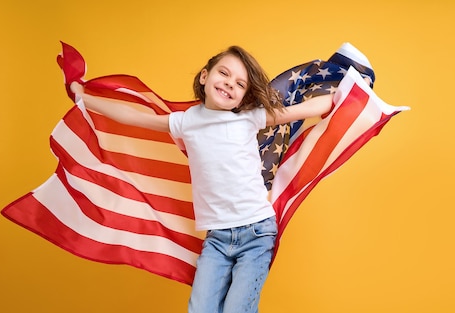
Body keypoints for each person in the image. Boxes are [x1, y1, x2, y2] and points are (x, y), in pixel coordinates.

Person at [70, 46, 334, 313]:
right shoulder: (186, 121)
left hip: (256, 233)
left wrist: (346, 94)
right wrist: (83, 97)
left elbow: (304, 109)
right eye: (224, 74)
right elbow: (135, 117)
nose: (230, 84)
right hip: (217, 240)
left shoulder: (249, 118)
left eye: (240, 84)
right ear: (205, 77)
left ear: (244, 96)